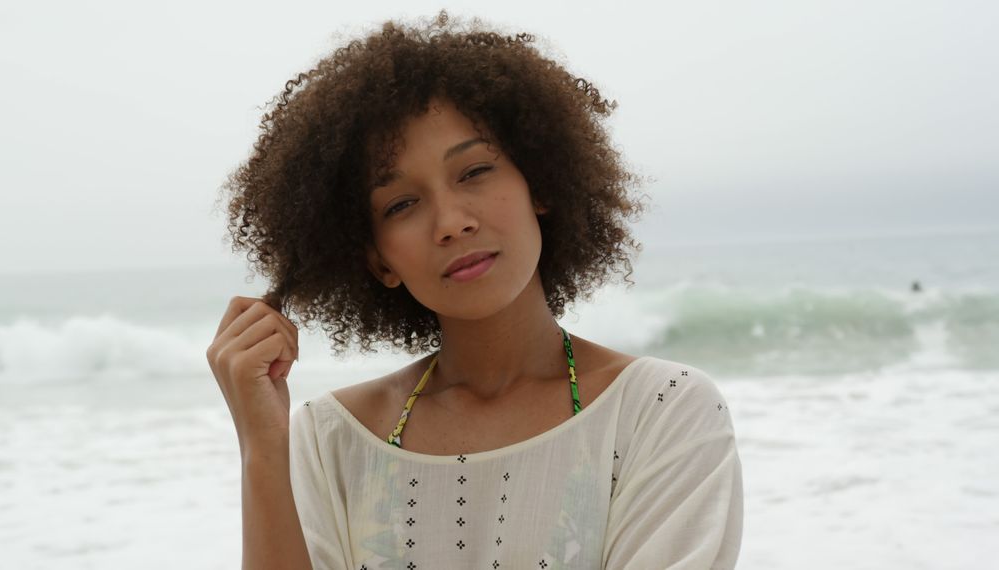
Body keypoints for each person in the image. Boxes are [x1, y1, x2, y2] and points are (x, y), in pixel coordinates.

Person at [207, 10, 742, 569]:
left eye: (474, 172)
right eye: (402, 205)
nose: (451, 221)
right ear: (377, 258)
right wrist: (263, 448)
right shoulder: (330, 439)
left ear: (540, 183)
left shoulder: (661, 409)